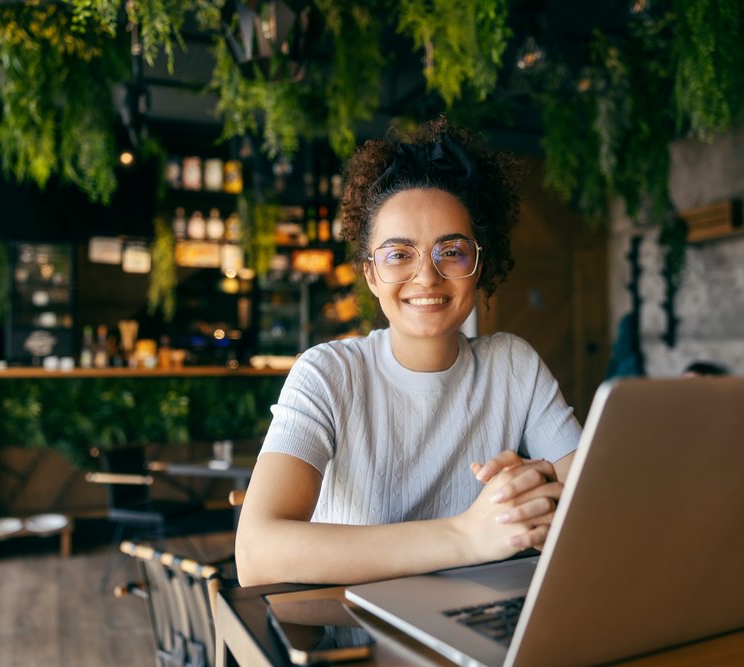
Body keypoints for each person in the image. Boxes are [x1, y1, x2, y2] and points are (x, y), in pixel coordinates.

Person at [236, 119, 581, 586]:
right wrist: (467, 536)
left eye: (452, 251)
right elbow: (257, 554)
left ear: (479, 265)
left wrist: (533, 496)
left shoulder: (513, 365)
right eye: (399, 254)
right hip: (362, 642)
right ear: (371, 274)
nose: (427, 277)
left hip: (481, 635)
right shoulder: (328, 375)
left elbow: (592, 509)